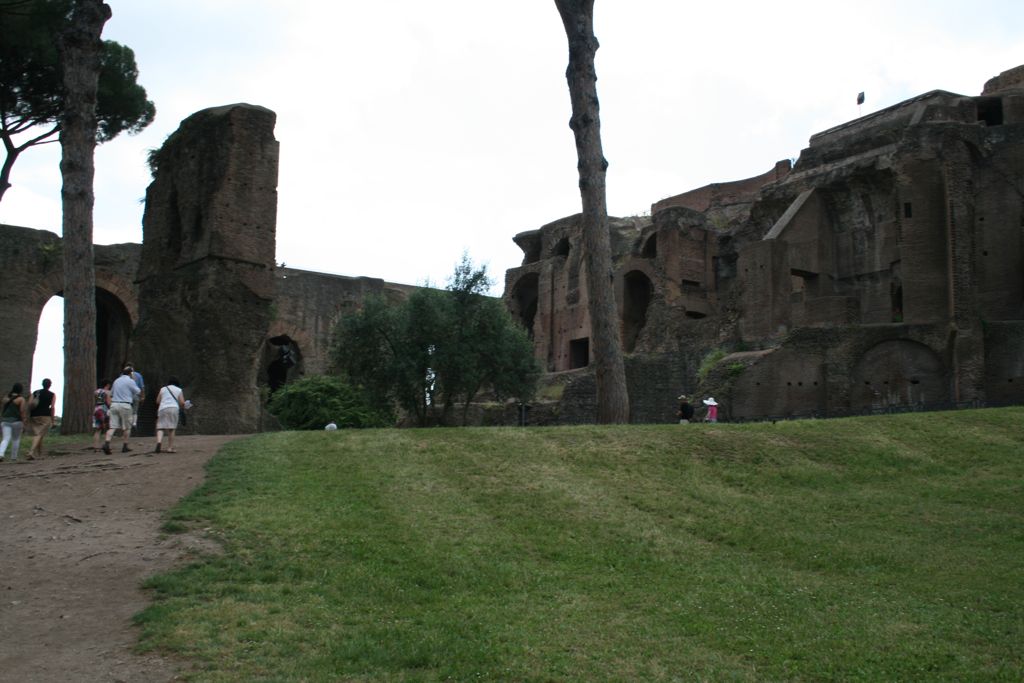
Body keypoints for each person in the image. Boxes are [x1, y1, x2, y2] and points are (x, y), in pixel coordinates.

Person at [103, 367, 141, 455]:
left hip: (114, 405)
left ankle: (107, 443)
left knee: (112, 427)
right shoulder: (131, 381)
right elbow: (138, 391)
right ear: (131, 373)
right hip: (125, 405)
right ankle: (125, 446)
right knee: (127, 427)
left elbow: (111, 393)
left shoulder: (116, 381)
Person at [154, 377, 186, 454]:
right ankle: (170, 448)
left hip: (162, 408)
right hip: (173, 408)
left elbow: (157, 401)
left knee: (160, 427)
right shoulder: (179, 390)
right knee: (171, 429)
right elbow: (182, 402)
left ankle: (159, 442)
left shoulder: (163, 389)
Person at [26, 378, 56, 459]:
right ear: (50, 385)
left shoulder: (35, 392)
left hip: (34, 415)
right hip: (45, 416)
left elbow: (29, 404)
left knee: (39, 434)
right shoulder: (52, 394)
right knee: (39, 434)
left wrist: (28, 415)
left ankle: (40, 454)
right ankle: (31, 452)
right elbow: (52, 407)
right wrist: (53, 420)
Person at [1, 383, 28, 462]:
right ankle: (13, 457)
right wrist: (24, 422)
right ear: (21, 390)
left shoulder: (5, 398)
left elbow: (3, 408)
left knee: (5, 438)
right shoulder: (21, 399)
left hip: (5, 421)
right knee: (16, 439)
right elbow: (22, 411)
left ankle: (1, 454)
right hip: (17, 421)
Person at [125, 362, 145, 434]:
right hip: (136, 395)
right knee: (135, 410)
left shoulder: (122, 375)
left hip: (126, 396)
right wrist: (143, 396)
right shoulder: (138, 375)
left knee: (128, 410)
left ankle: (128, 425)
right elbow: (142, 387)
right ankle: (134, 423)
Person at [92, 379, 112, 451]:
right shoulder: (108, 392)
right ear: (107, 385)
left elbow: (97, 400)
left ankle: (95, 447)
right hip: (104, 410)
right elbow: (108, 403)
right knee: (108, 428)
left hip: (97, 409)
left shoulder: (96, 392)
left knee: (98, 430)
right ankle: (106, 445)